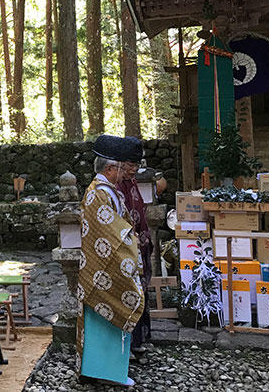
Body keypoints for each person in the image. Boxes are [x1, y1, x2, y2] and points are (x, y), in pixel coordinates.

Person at [76, 135, 145, 387]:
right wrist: (131, 241)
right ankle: (105, 373)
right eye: (123, 168)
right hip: (102, 269)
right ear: (110, 168)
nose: (127, 174)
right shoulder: (99, 194)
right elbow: (109, 234)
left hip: (101, 267)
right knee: (103, 324)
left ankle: (104, 371)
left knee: (105, 323)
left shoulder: (104, 191)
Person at [115, 137, 153, 353]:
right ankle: (130, 344)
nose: (133, 170)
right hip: (128, 246)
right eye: (130, 166)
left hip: (141, 243)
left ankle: (140, 339)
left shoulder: (133, 182)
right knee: (131, 294)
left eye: (136, 166)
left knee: (141, 292)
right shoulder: (116, 185)